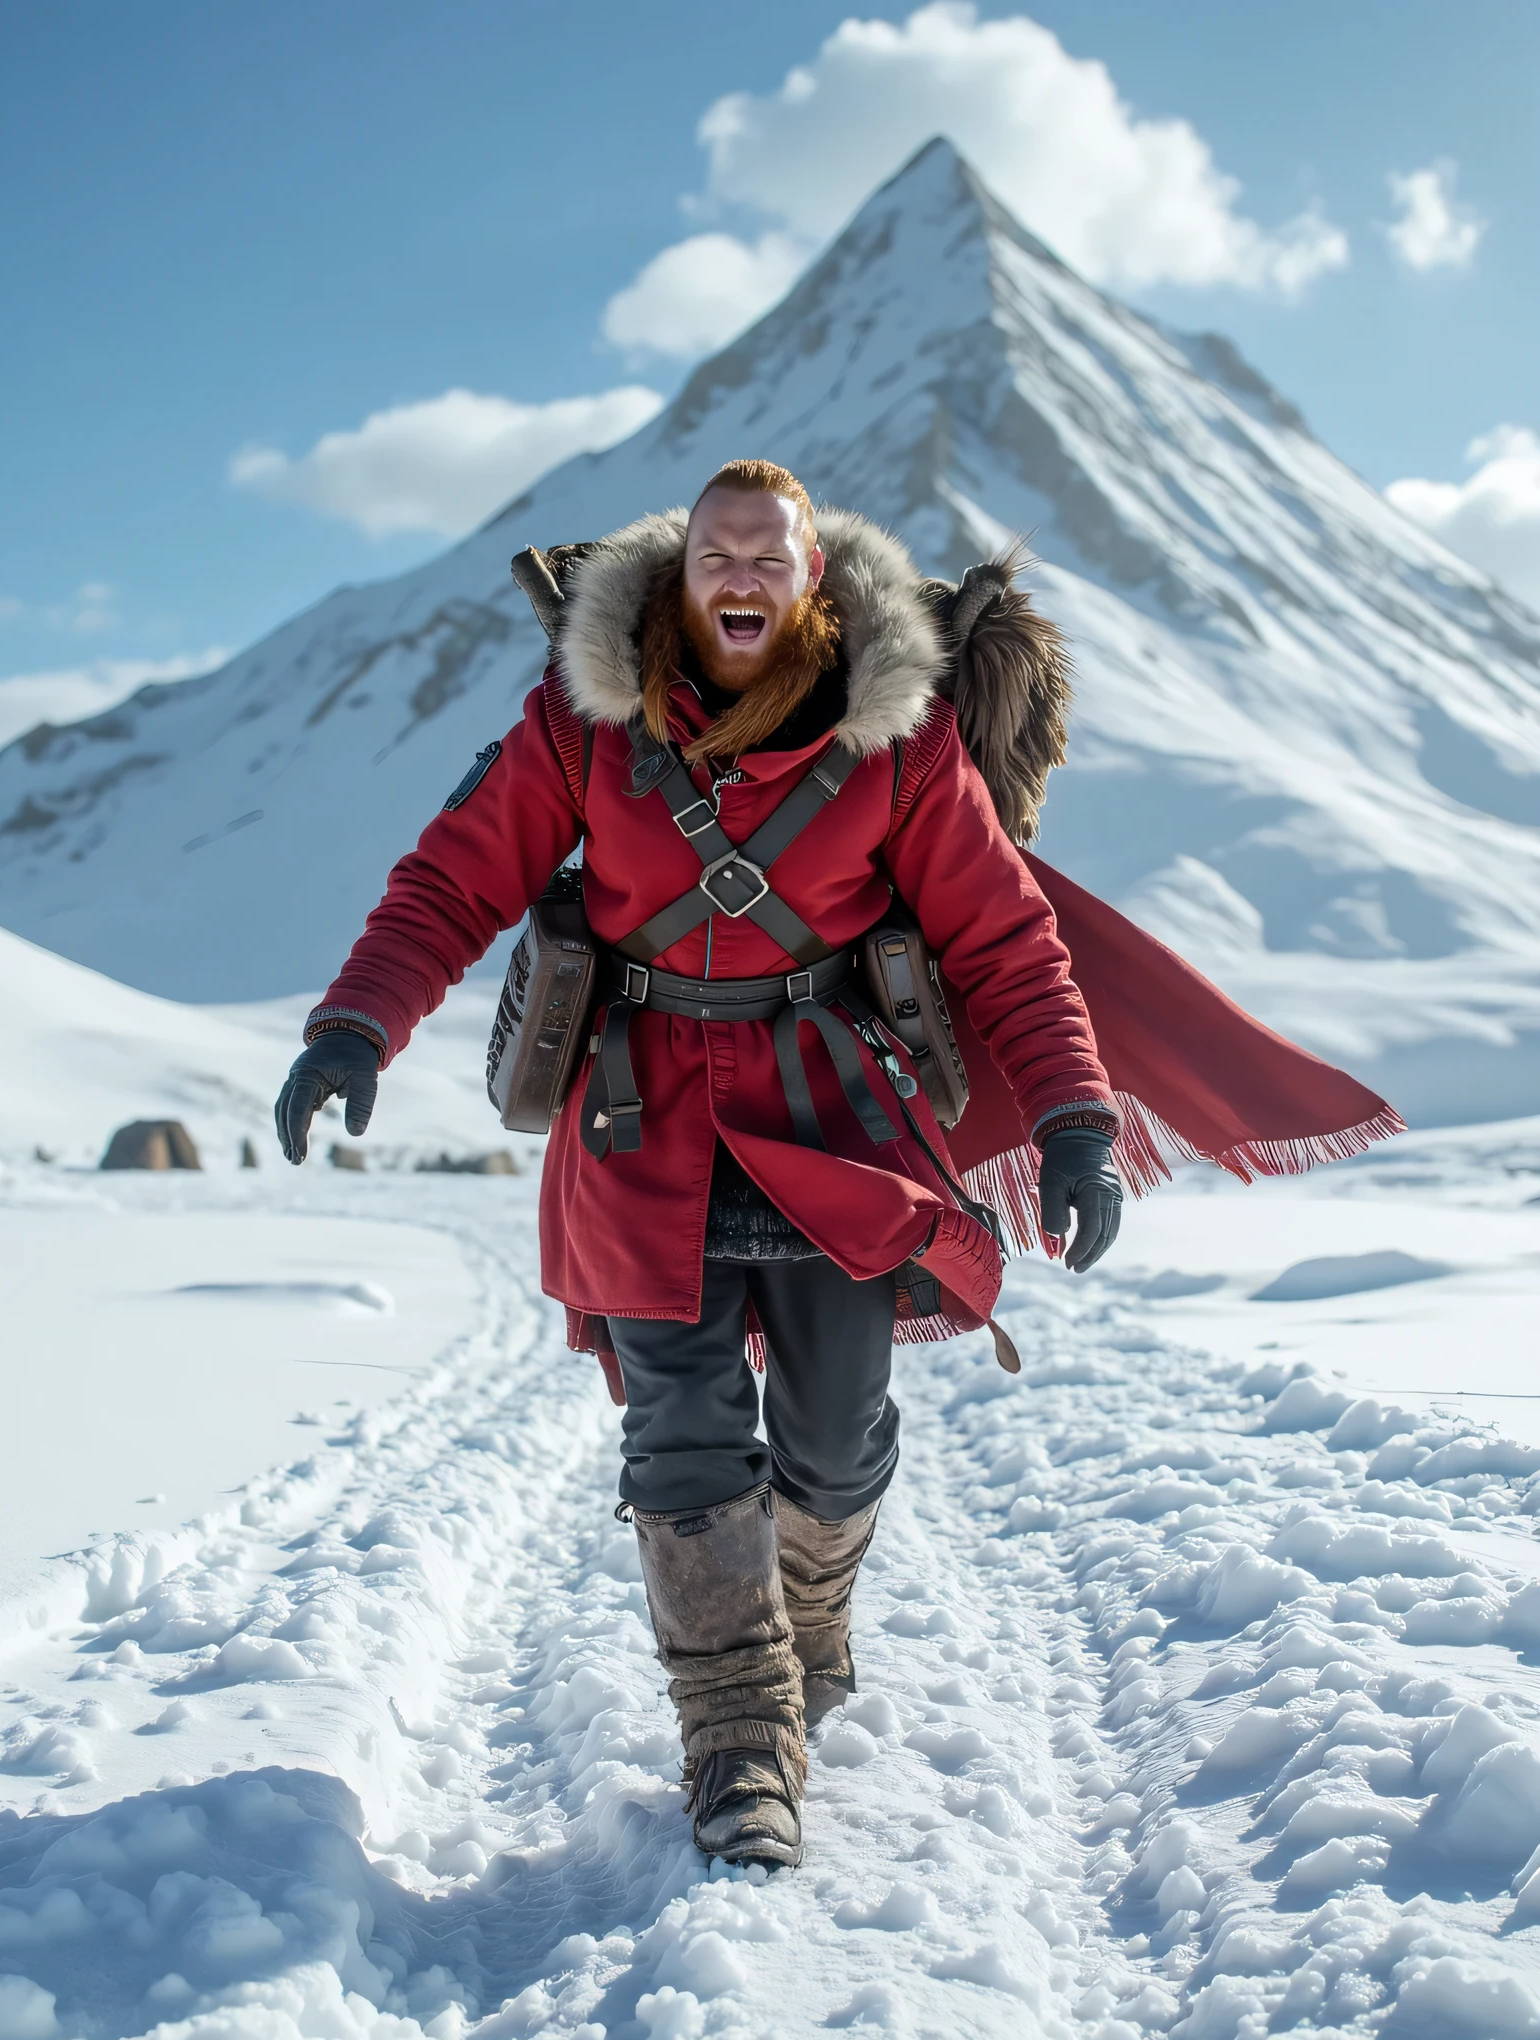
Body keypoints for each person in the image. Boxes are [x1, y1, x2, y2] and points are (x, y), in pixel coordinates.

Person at [274, 459, 1134, 1869]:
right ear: (680, 575)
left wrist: (1076, 1121)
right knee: (677, 1437)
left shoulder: (900, 741)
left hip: (834, 1119)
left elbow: (1004, 938)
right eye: (716, 556)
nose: (741, 579)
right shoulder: (578, 723)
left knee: (839, 1439)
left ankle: (806, 1618)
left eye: (769, 560)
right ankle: (739, 1743)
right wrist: (356, 1026)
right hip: (638, 1114)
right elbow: (452, 882)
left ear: (813, 582)